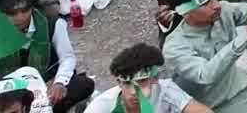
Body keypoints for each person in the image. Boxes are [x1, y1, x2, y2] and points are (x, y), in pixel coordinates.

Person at [0, 0, 94, 113]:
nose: (20, 17)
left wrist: (59, 83)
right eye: (12, 13)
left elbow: (67, 58)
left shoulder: (52, 24)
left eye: (24, 10)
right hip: (13, 89)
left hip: (47, 84)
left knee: (83, 85)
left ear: (32, 6)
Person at [84, 44, 213, 113]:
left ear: (155, 79)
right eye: (127, 83)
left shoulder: (165, 90)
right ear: (119, 82)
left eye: (142, 81)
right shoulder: (100, 108)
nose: (134, 91)